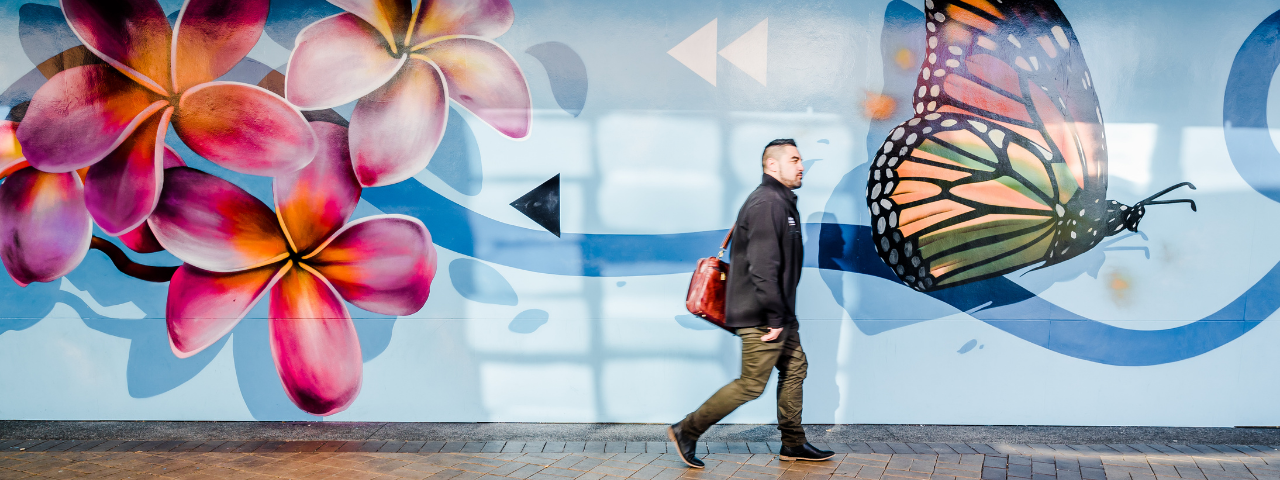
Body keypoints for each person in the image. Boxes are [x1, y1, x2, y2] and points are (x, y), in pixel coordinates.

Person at [668, 139, 834, 468]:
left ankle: (793, 443)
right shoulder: (767, 204)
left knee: (795, 368)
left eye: (801, 160)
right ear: (772, 165)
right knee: (751, 384)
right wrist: (774, 317)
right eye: (794, 159)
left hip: (778, 312)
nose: (802, 165)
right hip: (764, 314)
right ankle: (686, 430)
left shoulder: (781, 202)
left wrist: (782, 314)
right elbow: (762, 267)